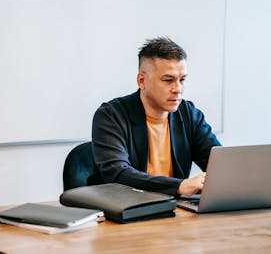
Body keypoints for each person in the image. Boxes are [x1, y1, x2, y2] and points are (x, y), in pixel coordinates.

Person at [91, 37, 221, 196]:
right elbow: (118, 174)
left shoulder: (189, 114)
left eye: (182, 80)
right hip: (124, 210)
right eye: (168, 80)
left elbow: (220, 165)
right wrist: (180, 186)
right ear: (142, 81)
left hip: (174, 210)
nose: (178, 89)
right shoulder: (111, 115)